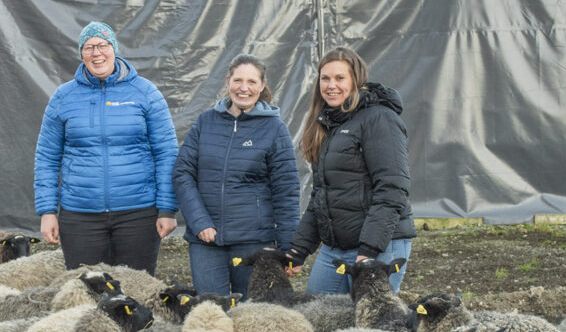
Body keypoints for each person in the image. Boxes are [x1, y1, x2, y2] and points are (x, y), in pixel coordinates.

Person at [34, 21, 179, 275]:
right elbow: (46, 157)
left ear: (114, 49)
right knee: (86, 293)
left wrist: (167, 209)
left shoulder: (145, 93)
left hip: (138, 213)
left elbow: (167, 153)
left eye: (102, 45)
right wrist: (47, 211)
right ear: (81, 54)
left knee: (136, 292)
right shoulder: (63, 97)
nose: (96, 53)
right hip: (80, 216)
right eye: (89, 47)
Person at [285, 46, 414, 294]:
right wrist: (298, 250)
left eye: (340, 78)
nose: (331, 85)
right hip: (336, 247)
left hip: (380, 245)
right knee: (318, 314)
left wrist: (368, 251)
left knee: (368, 325)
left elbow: (392, 188)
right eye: (325, 78)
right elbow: (322, 196)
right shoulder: (327, 125)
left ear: (356, 80)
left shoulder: (379, 119)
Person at [173, 54, 300, 297]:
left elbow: (287, 191)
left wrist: (289, 248)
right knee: (211, 312)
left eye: (252, 82)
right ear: (227, 81)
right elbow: (183, 173)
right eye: (238, 80)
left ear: (262, 86)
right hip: (206, 242)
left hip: (253, 242)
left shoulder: (275, 129)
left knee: (251, 313)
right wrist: (200, 221)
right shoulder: (206, 122)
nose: (244, 88)